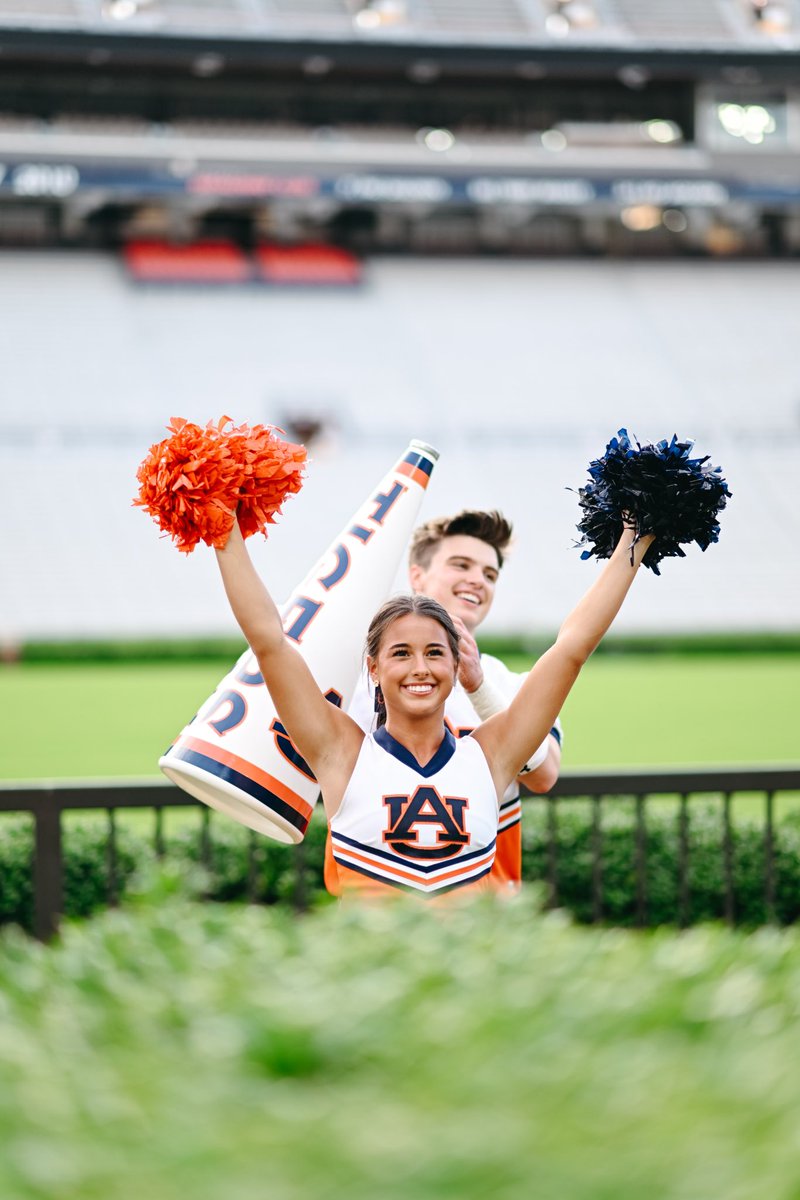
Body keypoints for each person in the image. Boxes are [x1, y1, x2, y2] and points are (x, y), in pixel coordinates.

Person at [214, 515, 654, 901]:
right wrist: (223, 527)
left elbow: (571, 649)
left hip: (472, 980)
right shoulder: (340, 751)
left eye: (435, 653)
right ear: (374, 666)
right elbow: (269, 641)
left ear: (457, 661)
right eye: (401, 653)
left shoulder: (491, 754)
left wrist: (635, 539)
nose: (420, 669)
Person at [337, 510, 562, 893]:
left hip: (486, 908)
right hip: (374, 907)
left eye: (490, 574)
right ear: (417, 576)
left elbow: (544, 775)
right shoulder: (361, 680)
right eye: (462, 565)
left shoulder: (512, 682)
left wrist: (477, 686)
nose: (478, 579)